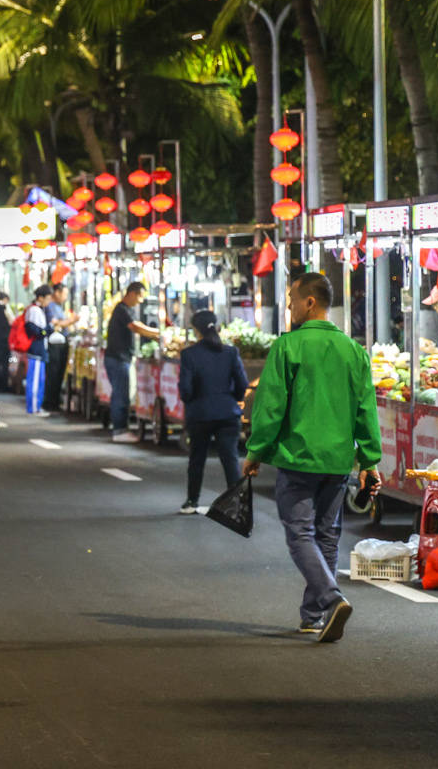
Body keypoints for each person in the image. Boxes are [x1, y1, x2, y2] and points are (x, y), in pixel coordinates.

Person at [244, 273, 381, 643]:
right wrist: (369, 460)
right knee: (327, 533)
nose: (287, 305)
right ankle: (313, 615)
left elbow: (270, 408)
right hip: (338, 461)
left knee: (300, 533)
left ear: (309, 302)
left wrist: (256, 451)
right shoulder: (354, 351)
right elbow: (365, 410)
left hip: (299, 458)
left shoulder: (288, 347)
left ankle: (332, 598)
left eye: (291, 299)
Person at [177, 309, 249, 514]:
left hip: (200, 414)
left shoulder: (189, 354)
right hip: (227, 413)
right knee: (230, 458)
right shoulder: (230, 352)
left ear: (196, 330)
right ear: (216, 327)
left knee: (197, 457)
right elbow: (242, 384)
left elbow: (185, 389)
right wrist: (232, 399)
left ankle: (192, 501)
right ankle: (236, 503)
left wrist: (191, 401)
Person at [104, 281, 160, 441]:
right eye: (140, 296)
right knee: (121, 394)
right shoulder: (122, 309)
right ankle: (119, 431)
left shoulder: (126, 309)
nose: (141, 301)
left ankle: (120, 429)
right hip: (118, 358)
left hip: (120, 357)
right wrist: (158, 333)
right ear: (132, 293)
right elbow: (136, 327)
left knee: (121, 393)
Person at [21, 286, 52, 417]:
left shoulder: (39, 309)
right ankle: (33, 407)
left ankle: (36, 407)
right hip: (35, 351)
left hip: (39, 351)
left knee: (39, 380)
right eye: (48, 298)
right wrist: (49, 329)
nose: (49, 301)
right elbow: (35, 330)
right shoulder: (34, 310)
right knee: (34, 381)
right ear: (40, 297)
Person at [42, 283, 72, 415]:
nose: (65, 297)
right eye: (64, 294)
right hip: (54, 344)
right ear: (57, 292)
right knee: (53, 373)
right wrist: (72, 321)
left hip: (61, 344)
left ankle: (54, 401)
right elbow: (55, 324)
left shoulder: (58, 307)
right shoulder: (50, 306)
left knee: (59, 373)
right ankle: (50, 402)